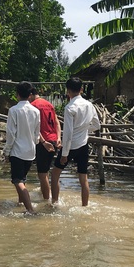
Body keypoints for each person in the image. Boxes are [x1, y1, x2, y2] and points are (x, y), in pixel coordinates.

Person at [3, 81, 54, 213]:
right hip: (31, 152)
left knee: (17, 181)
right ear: (30, 94)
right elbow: (37, 134)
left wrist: (7, 151)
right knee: (22, 178)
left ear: (17, 95)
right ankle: (21, 203)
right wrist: (38, 142)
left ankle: (30, 209)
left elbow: (11, 134)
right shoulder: (35, 111)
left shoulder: (13, 110)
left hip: (18, 151)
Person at [49, 77, 101, 206]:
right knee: (83, 179)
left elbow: (68, 134)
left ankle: (54, 204)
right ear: (82, 89)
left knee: (55, 174)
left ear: (68, 91)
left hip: (71, 146)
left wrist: (65, 154)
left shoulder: (70, 107)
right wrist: (84, 130)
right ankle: (85, 206)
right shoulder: (89, 105)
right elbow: (96, 125)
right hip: (83, 144)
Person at [29, 85, 61, 202]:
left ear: (31, 95)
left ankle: (46, 200)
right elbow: (57, 122)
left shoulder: (33, 106)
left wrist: (43, 142)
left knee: (42, 174)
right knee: (48, 171)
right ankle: (53, 199)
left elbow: (35, 128)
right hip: (53, 139)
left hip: (43, 141)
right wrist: (59, 138)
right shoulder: (49, 104)